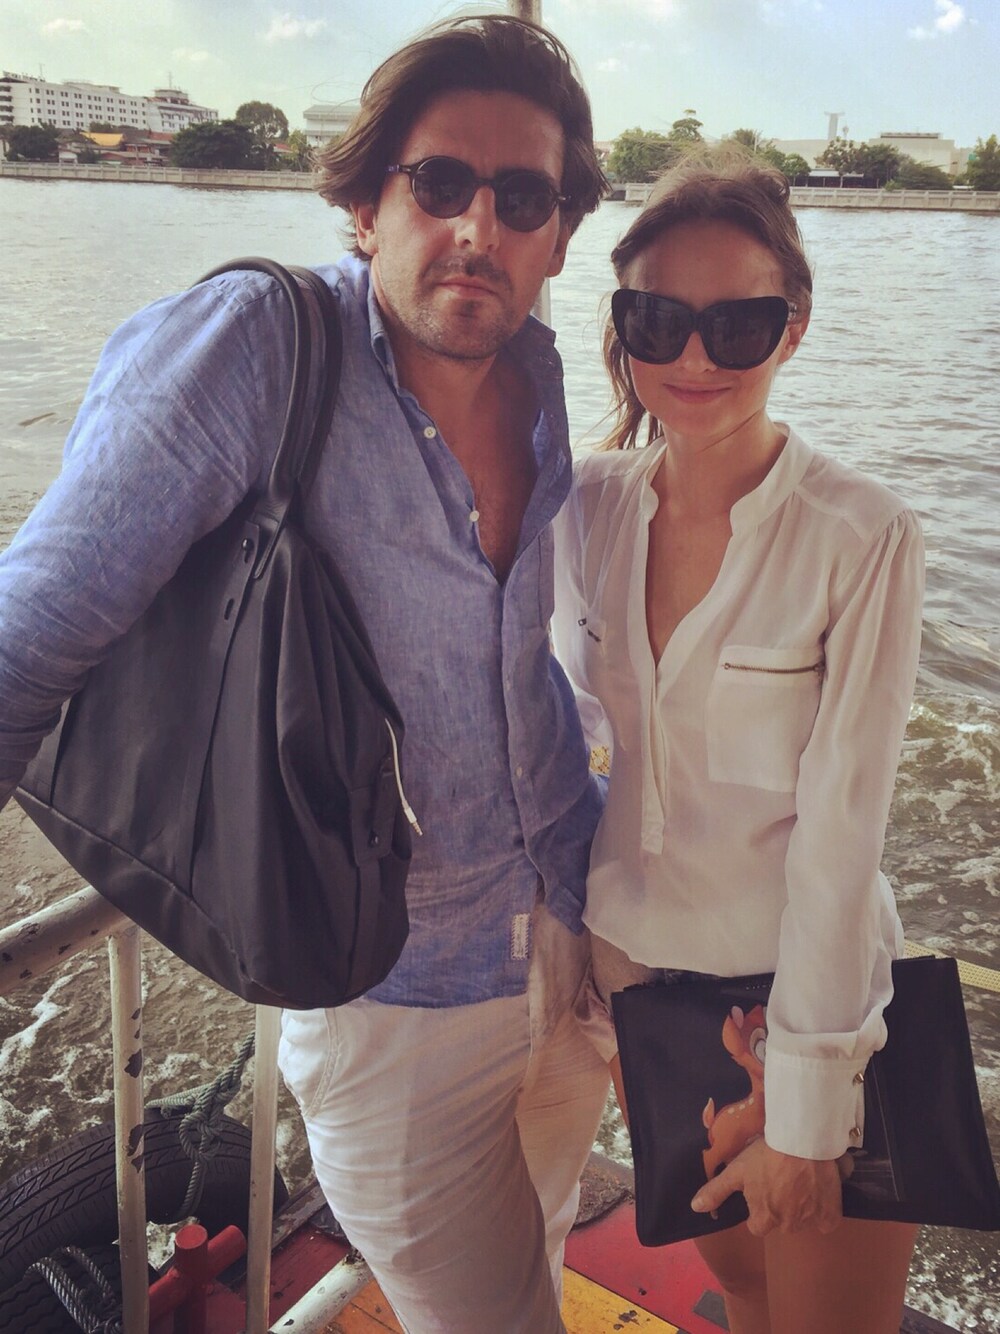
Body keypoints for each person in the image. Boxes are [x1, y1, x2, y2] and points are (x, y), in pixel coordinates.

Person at [0, 16, 612, 1333]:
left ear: (561, 234)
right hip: (394, 996)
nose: (479, 227)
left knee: (549, 1239)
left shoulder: (541, 374)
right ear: (364, 200)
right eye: (439, 181)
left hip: (565, 941)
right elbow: (28, 634)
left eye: (524, 198)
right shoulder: (256, 346)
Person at [552, 149, 925, 1334]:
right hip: (643, 995)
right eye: (657, 321)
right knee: (743, 1291)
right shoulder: (582, 507)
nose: (696, 357)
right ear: (621, 326)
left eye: (739, 324)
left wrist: (804, 1106)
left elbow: (841, 837)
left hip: (807, 1005)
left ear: (793, 329)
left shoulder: (859, 533)